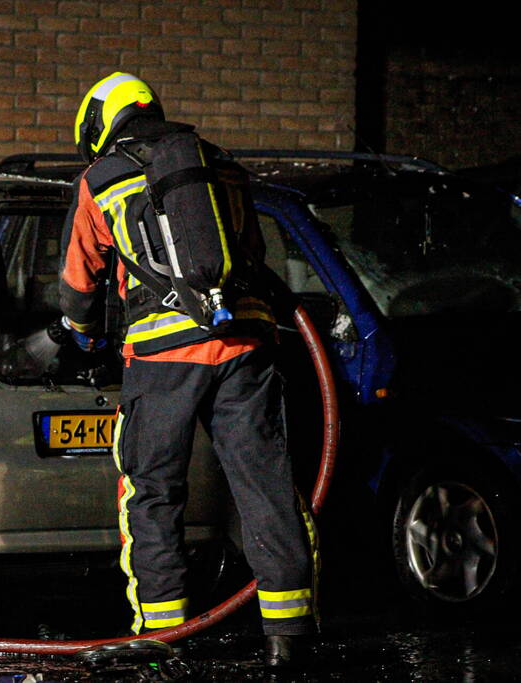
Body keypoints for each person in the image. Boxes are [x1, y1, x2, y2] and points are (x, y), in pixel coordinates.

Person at [59, 72, 317, 667]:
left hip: (163, 357)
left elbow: (80, 281)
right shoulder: (219, 164)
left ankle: (165, 630)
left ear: (98, 123)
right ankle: (290, 632)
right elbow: (250, 252)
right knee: (265, 484)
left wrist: (79, 334)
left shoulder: (100, 179)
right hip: (245, 344)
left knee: (152, 492)